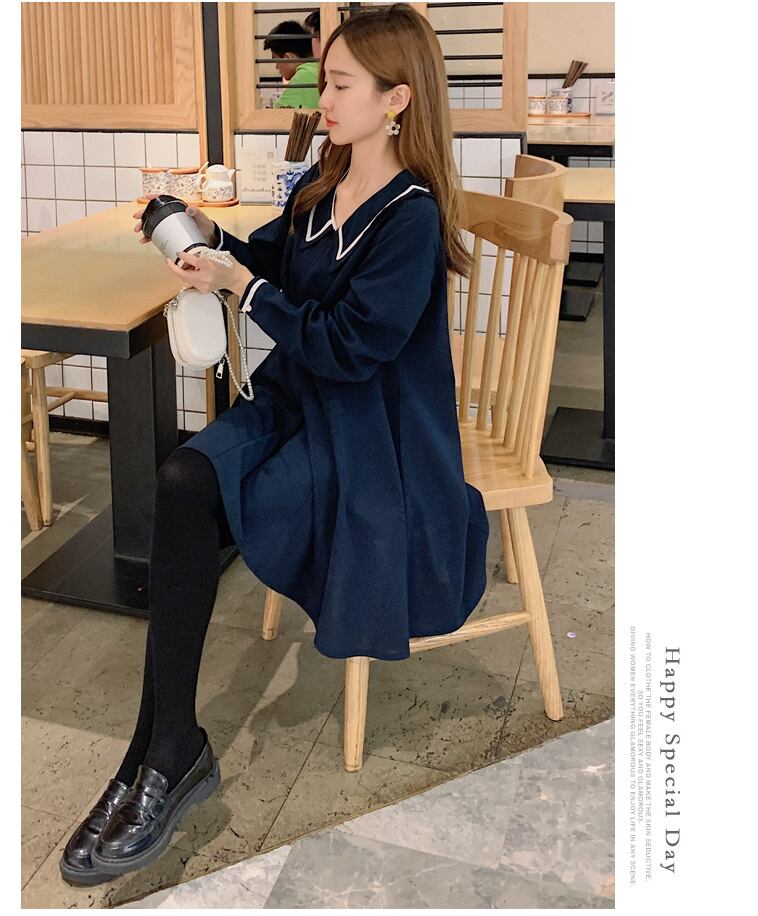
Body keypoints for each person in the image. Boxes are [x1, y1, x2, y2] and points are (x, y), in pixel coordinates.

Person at [59, 2, 489, 885]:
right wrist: (202, 236)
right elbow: (277, 259)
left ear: (397, 99)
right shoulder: (326, 184)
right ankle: (166, 745)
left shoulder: (410, 216)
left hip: (373, 433)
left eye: (339, 85)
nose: (319, 98)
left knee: (192, 493)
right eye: (322, 81)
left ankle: (158, 754)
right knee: (183, 479)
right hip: (304, 401)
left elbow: (350, 347)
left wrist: (242, 286)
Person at [264, 19, 320, 109]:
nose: (276, 67)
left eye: (276, 60)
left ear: (288, 57)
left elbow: (276, 114)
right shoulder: (317, 69)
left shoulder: (304, 77)